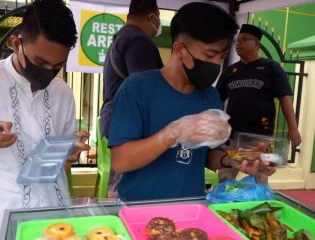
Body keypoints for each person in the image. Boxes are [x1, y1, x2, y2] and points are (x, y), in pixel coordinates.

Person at [108, 2, 275, 201]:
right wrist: (174, 132)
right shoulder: (137, 88)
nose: (216, 64)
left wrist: (233, 160)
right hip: (139, 209)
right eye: (209, 55)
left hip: (191, 209)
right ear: (179, 49)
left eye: (221, 57)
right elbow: (120, 161)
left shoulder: (210, 96)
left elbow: (209, 154)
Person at [0, 1, 90, 239]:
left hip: (54, 224)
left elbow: (62, 164)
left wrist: (69, 154)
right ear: (16, 44)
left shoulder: (63, 92)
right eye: (40, 63)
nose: (48, 72)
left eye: (57, 65)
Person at [216, 24, 301, 183]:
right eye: (237, 41)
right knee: (225, 175)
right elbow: (218, 99)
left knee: (260, 174)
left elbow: (284, 98)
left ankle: (258, 203)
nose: (238, 44)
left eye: (244, 40)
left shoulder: (271, 67)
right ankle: (224, 204)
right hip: (233, 136)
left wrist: (293, 128)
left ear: (256, 44)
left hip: (260, 137)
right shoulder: (231, 70)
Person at [100, 0, 164, 197]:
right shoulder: (138, 41)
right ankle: (118, 222)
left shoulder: (122, 37)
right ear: (153, 16)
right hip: (129, 126)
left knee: (119, 180)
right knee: (124, 186)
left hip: (117, 120)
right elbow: (144, 88)